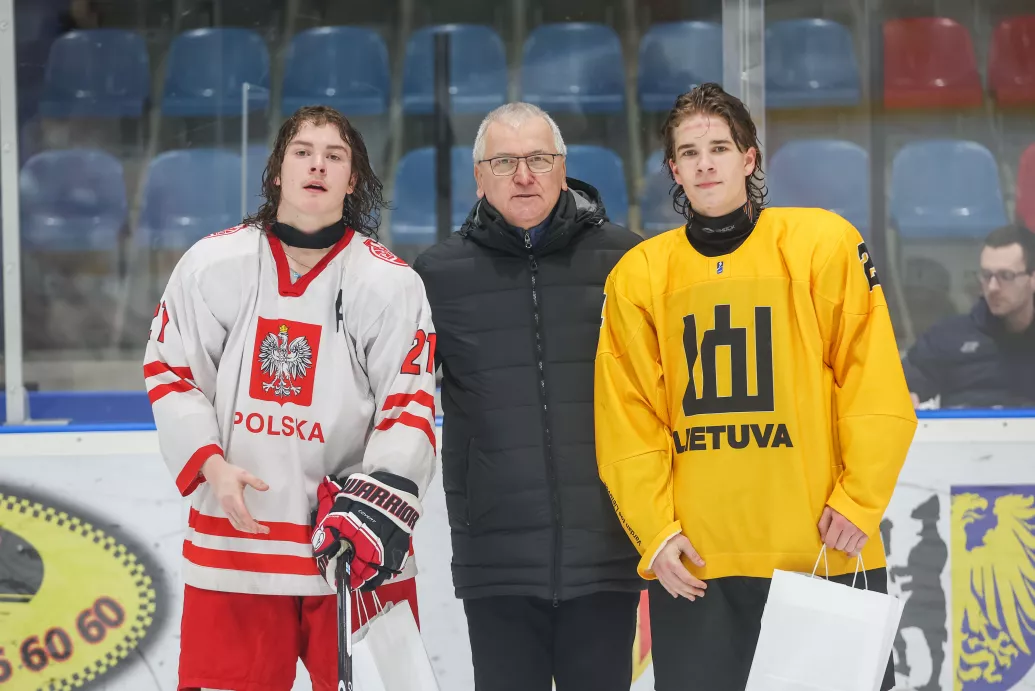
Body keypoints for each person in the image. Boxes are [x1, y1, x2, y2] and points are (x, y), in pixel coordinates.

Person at [594, 83, 917, 691]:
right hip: (699, 565)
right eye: (689, 153)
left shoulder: (822, 245)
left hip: (820, 552)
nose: (705, 164)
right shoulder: (640, 275)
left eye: (719, 148)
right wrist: (655, 532)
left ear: (749, 158)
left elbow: (873, 382)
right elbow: (626, 419)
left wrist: (860, 498)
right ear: (674, 170)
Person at [143, 105, 437, 691]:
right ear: (277, 170)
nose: (317, 165)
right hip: (236, 546)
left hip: (352, 550)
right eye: (303, 152)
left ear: (353, 180)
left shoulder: (390, 282)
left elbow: (408, 407)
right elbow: (172, 370)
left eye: (335, 156)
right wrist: (211, 464)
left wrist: (376, 509)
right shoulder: (212, 264)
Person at [413, 102, 643, 691]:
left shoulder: (627, 261)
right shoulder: (436, 276)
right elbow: (396, 401)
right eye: (504, 162)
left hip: (606, 552)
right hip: (496, 559)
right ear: (479, 177)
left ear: (562, 168)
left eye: (539, 159)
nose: (523, 175)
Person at [903, 224, 1035, 409]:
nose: (992, 287)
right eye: (986, 275)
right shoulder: (949, 337)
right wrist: (901, 393)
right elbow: (897, 382)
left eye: (1006, 276)